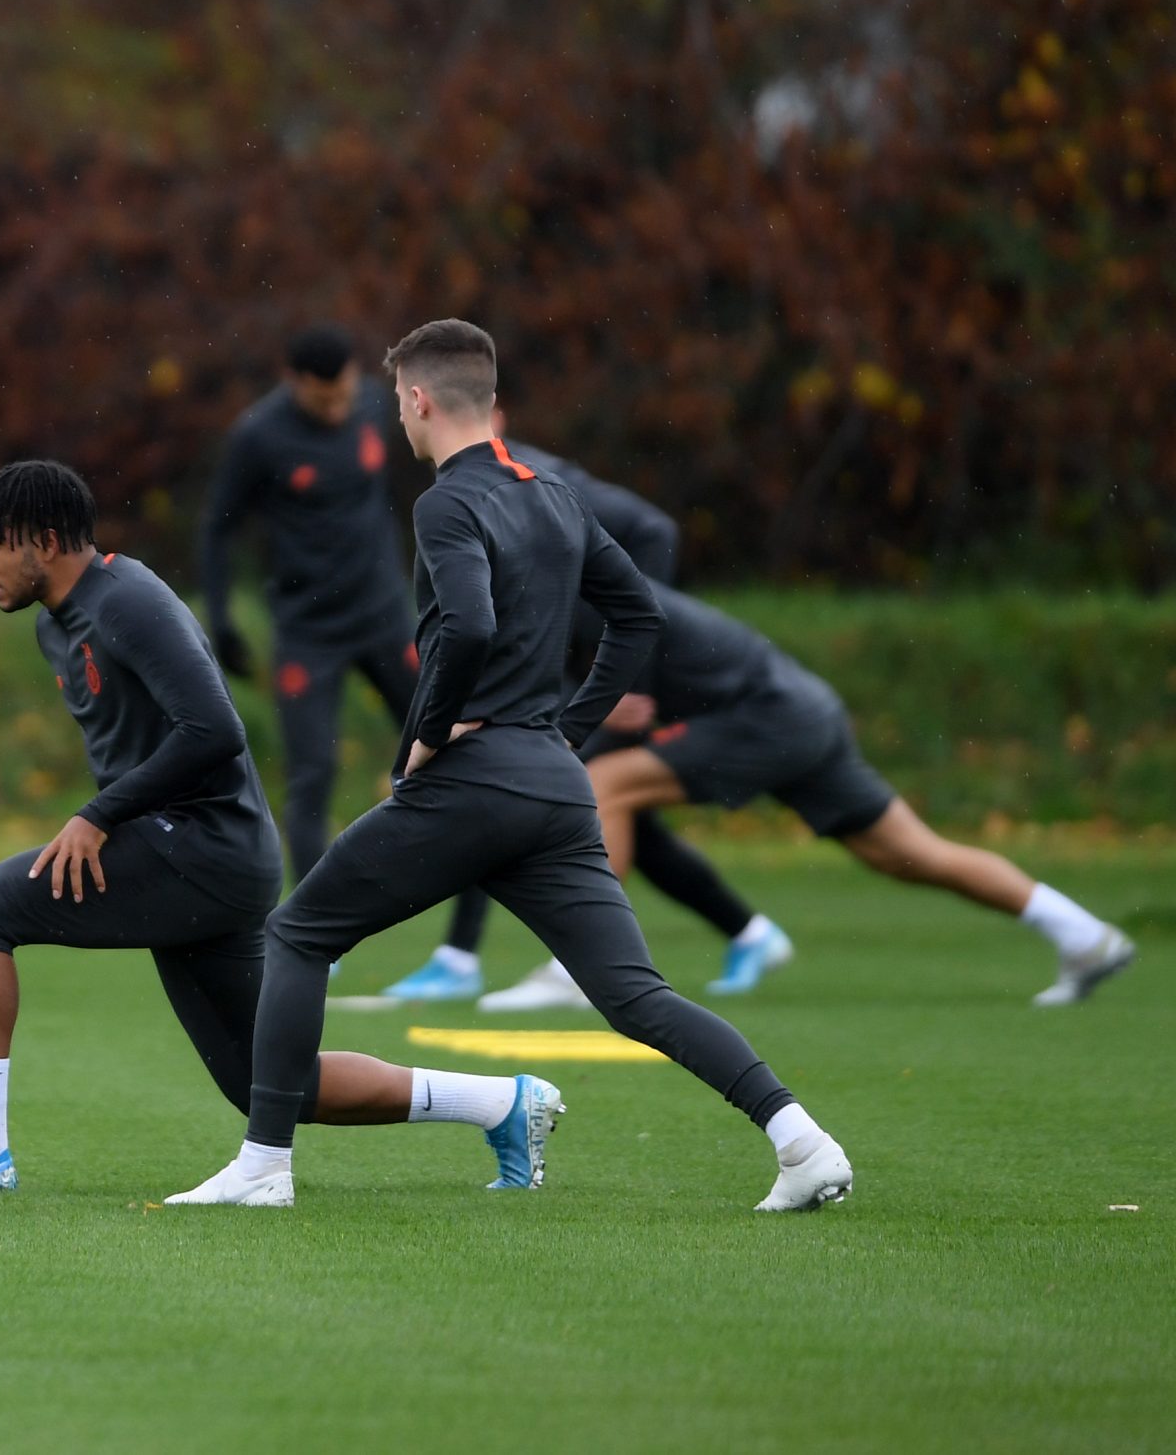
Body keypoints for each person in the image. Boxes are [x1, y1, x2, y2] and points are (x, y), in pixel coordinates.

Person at [170, 320, 852, 1214]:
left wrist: (426, 730)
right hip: (552, 783)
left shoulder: (445, 503)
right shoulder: (557, 496)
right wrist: (567, 727)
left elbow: (472, 623)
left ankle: (263, 1166)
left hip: (478, 776)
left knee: (298, 934)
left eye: (403, 407)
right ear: (488, 397)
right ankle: (802, 1139)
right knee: (636, 995)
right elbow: (638, 617)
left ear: (416, 400)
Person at [0, 461, 566, 1199]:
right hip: (204, 857)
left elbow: (214, 730)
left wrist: (99, 814)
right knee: (271, 1085)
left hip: (200, 849)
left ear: (44, 542)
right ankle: (502, 1103)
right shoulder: (62, 623)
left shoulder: (126, 602)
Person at [575, 580, 1136, 1008]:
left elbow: (622, 694)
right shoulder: (575, 579)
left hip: (767, 716)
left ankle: (587, 968)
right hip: (801, 711)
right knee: (908, 854)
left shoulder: (582, 588)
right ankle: (1085, 936)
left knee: (609, 785)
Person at [384, 433, 787, 1007]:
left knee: (499, 780)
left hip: (591, 675)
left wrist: (625, 685)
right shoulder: (464, 487)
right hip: (563, 666)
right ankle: (746, 931)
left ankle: (500, 962)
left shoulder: (536, 480)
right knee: (605, 814)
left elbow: (650, 555)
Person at [201, 326, 417, 879]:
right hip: (309, 630)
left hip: (385, 617)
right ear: (293, 381)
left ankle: (463, 913)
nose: (338, 407)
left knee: (441, 744)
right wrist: (220, 619)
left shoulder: (376, 400)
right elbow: (218, 530)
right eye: (324, 399)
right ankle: (316, 936)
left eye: (344, 393)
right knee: (312, 772)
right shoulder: (258, 436)